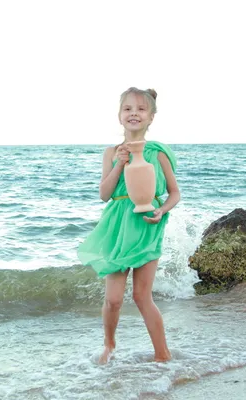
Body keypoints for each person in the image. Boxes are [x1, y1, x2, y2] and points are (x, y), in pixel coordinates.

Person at [77, 87, 180, 364]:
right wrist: (119, 164)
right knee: (113, 299)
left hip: (147, 225)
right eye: (128, 109)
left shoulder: (158, 153)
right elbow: (105, 194)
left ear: (151, 117)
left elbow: (174, 193)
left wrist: (161, 211)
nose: (134, 113)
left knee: (141, 296)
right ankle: (109, 345)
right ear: (119, 116)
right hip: (117, 227)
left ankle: (163, 355)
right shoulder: (111, 152)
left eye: (141, 109)